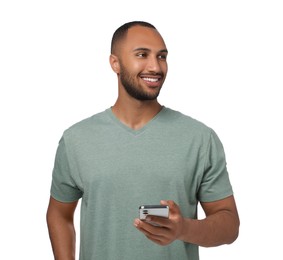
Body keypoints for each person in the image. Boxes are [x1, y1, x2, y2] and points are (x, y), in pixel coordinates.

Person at [46, 21, 240, 260]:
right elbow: (59, 214)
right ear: (115, 63)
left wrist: (183, 229)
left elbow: (229, 225)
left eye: (162, 56)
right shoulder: (76, 139)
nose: (155, 67)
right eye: (142, 55)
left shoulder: (200, 138)